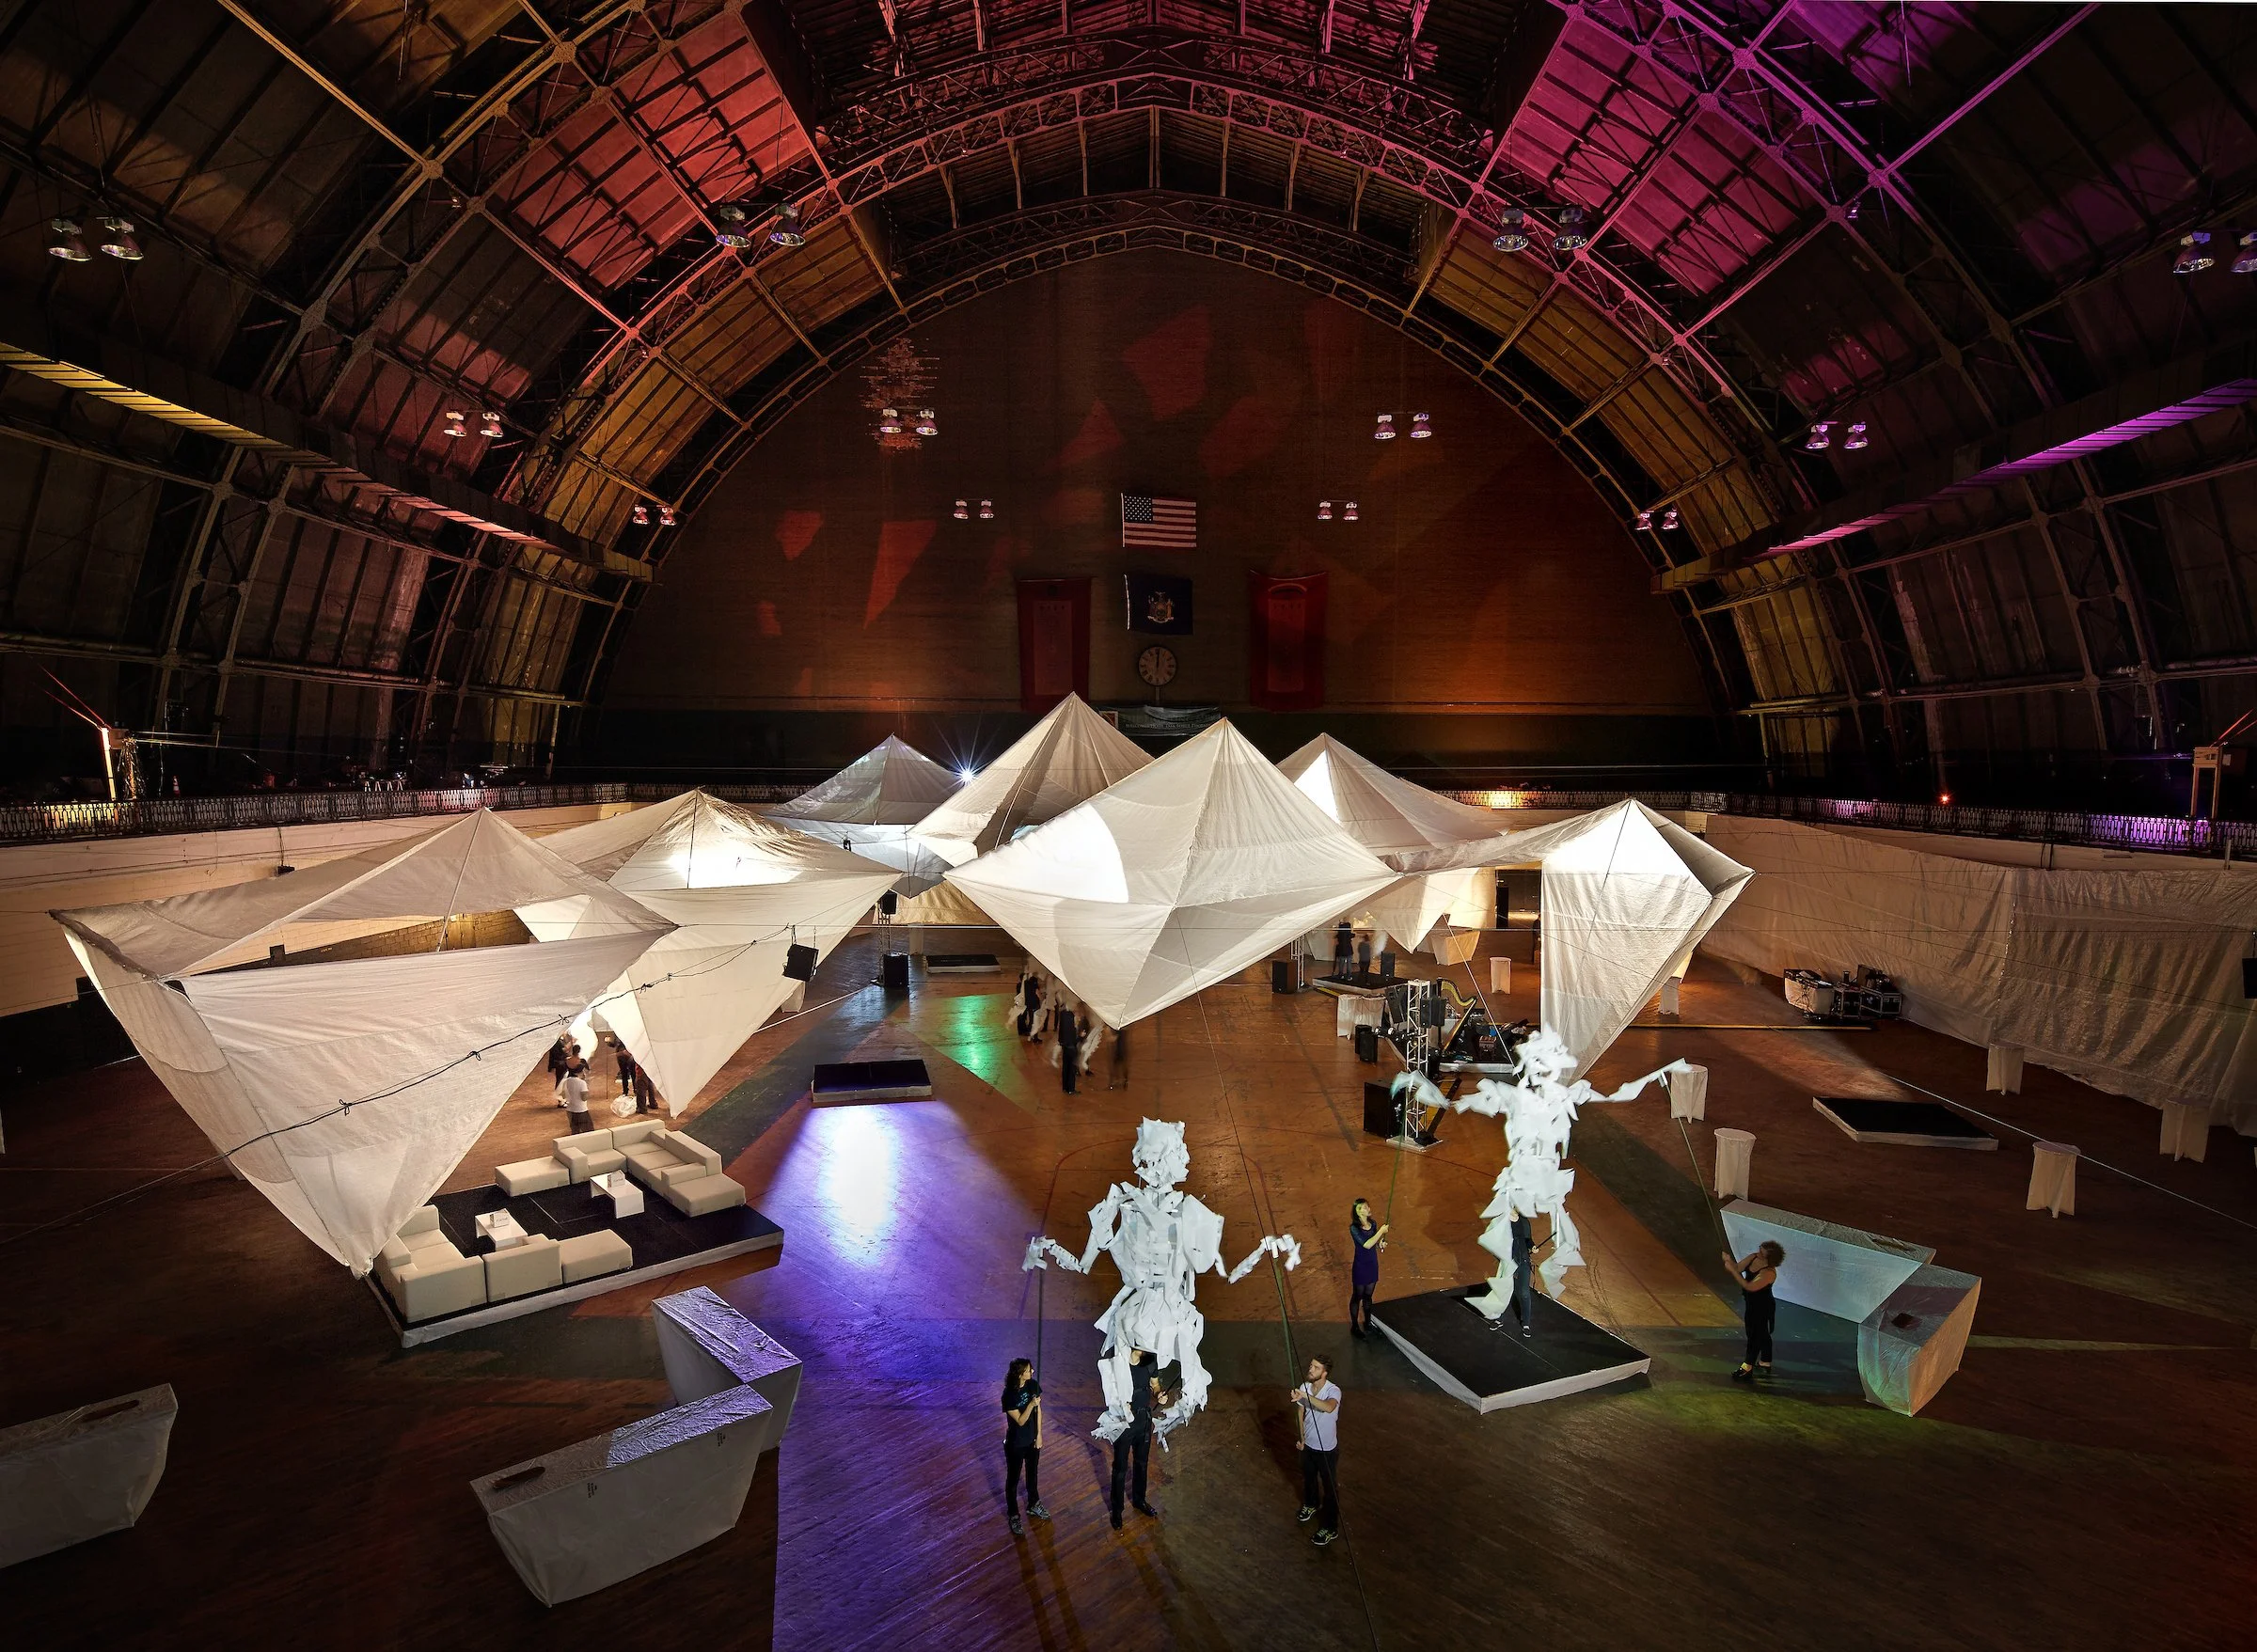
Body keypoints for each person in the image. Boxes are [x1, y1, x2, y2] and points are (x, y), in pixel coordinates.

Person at [1109, 1347, 1169, 1531]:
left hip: (1143, 1420)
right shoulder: (1119, 1363)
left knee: (1142, 1463)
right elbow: (1110, 1389)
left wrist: (1159, 1394)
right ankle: (1117, 1510)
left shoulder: (1150, 1360)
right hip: (1125, 1423)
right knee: (1120, 1467)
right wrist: (1120, 1403)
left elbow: (1155, 1385)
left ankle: (1139, 1500)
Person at [1291, 1355, 1342, 1546]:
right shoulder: (1305, 1387)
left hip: (1327, 1451)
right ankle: (1311, 1504)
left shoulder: (1333, 1390)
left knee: (1330, 1490)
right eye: (1311, 1366)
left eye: (1316, 1368)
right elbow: (1300, 1412)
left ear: (1325, 1373)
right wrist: (1302, 1439)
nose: (1310, 1369)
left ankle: (1330, 1528)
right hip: (1308, 1447)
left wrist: (1305, 1396)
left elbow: (1328, 1408)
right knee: (1309, 1479)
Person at [1000, 1358, 1049, 1536]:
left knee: (1032, 1474)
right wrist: (1030, 1404)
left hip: (1032, 1441)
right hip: (1016, 1444)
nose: (1032, 1372)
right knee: (1013, 1480)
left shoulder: (1033, 1385)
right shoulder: (1008, 1395)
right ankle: (1013, 1515)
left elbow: (1039, 1412)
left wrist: (1039, 1435)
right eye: (1029, 1370)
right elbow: (1020, 1421)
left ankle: (1033, 1504)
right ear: (1020, 1374)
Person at [1725, 1239, 1784, 1380]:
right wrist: (1730, 1262)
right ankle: (1765, 1361)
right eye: (1759, 1249)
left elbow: (1749, 1286)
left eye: (1761, 1252)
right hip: (1751, 1303)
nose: (1758, 1252)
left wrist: (1732, 1270)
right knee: (1761, 1332)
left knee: (1754, 1335)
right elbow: (1739, 1268)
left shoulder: (1769, 1272)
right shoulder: (1753, 1257)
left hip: (1762, 1306)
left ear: (1769, 1258)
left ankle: (1747, 1366)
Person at [1348, 1199, 1386, 1337]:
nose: (1366, 1208)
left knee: (1368, 1296)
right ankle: (1354, 1326)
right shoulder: (1354, 1228)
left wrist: (1381, 1243)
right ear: (1358, 1213)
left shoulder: (1373, 1223)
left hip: (1372, 1264)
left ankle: (1368, 1323)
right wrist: (1381, 1232)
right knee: (1357, 1296)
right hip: (1361, 1266)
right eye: (1362, 1208)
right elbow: (1367, 1244)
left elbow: (1374, 1243)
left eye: (1366, 1206)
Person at [1507, 1214, 1537, 1337]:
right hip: (1507, 1261)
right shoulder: (1502, 1221)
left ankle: (1526, 1323)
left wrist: (1532, 1246)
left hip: (1523, 1260)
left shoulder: (1524, 1222)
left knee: (1524, 1293)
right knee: (1505, 1290)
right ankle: (1499, 1319)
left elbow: (1528, 1239)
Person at [1053, 1002, 1081, 1094]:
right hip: (1071, 1046)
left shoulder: (1063, 1014)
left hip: (1064, 1045)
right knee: (1071, 1069)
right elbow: (1073, 1036)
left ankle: (1065, 1087)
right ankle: (1071, 1089)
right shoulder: (1072, 1017)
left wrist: (1061, 1042)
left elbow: (1061, 1031)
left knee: (1065, 1067)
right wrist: (1080, 1036)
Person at [557, 1061, 592, 1133]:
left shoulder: (566, 1081)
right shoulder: (582, 1083)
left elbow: (563, 1095)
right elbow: (584, 1098)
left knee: (575, 1131)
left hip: (570, 1110)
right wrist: (587, 1090)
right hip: (581, 1110)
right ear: (578, 1072)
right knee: (588, 1132)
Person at [1106, 1020, 1130, 1090]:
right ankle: (1122, 1080)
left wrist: (1110, 1036)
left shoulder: (1120, 1031)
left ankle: (1120, 1080)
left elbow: (1113, 1038)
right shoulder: (1121, 1029)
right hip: (1120, 1049)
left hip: (1120, 1049)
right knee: (1119, 1064)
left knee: (1119, 1064)